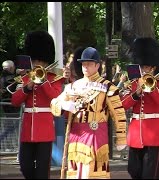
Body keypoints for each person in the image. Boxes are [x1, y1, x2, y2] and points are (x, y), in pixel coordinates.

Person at [50, 47, 127, 179]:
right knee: (76, 173)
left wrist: (121, 137)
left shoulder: (108, 87)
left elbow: (118, 114)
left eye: (89, 64)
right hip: (76, 134)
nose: (85, 67)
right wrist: (65, 105)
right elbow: (54, 104)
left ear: (97, 65)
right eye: (84, 64)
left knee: (93, 172)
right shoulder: (74, 86)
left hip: (96, 134)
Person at [10, 30, 68, 179]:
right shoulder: (25, 78)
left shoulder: (54, 78)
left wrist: (43, 82)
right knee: (25, 166)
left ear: (45, 61)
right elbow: (15, 101)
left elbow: (55, 97)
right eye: (35, 61)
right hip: (28, 129)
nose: (37, 64)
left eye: (40, 62)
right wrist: (27, 88)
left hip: (45, 129)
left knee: (42, 171)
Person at [121, 37, 159, 179]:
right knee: (133, 170)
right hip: (136, 133)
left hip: (153, 134)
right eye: (141, 67)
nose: (143, 70)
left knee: (150, 174)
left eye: (146, 67)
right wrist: (136, 94)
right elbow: (123, 104)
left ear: (153, 67)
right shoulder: (133, 84)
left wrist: (151, 89)